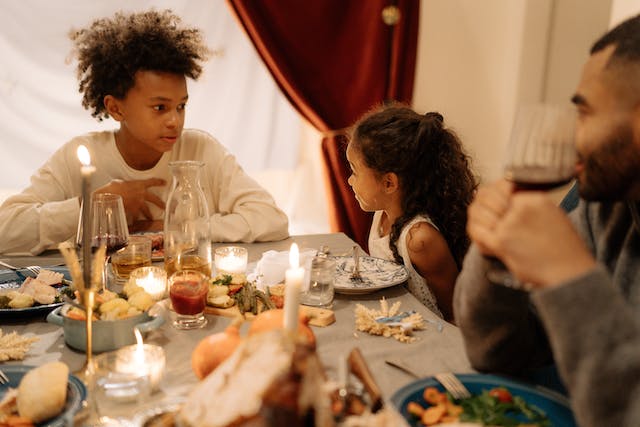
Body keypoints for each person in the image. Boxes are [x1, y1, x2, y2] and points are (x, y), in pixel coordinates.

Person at [454, 14, 640, 427]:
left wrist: (568, 277)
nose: (570, 137)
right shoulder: (604, 210)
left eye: (586, 114)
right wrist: (495, 259)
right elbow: (499, 356)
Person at [0, 9, 289, 255]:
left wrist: (180, 229)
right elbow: (5, 229)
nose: (175, 121)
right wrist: (91, 210)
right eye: (160, 108)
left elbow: (271, 219)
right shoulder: (80, 156)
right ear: (115, 108)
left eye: (181, 106)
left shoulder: (200, 150)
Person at [347, 104, 477, 320]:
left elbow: (456, 313)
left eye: (354, 170)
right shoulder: (383, 214)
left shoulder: (420, 240)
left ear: (389, 183)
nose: (350, 181)